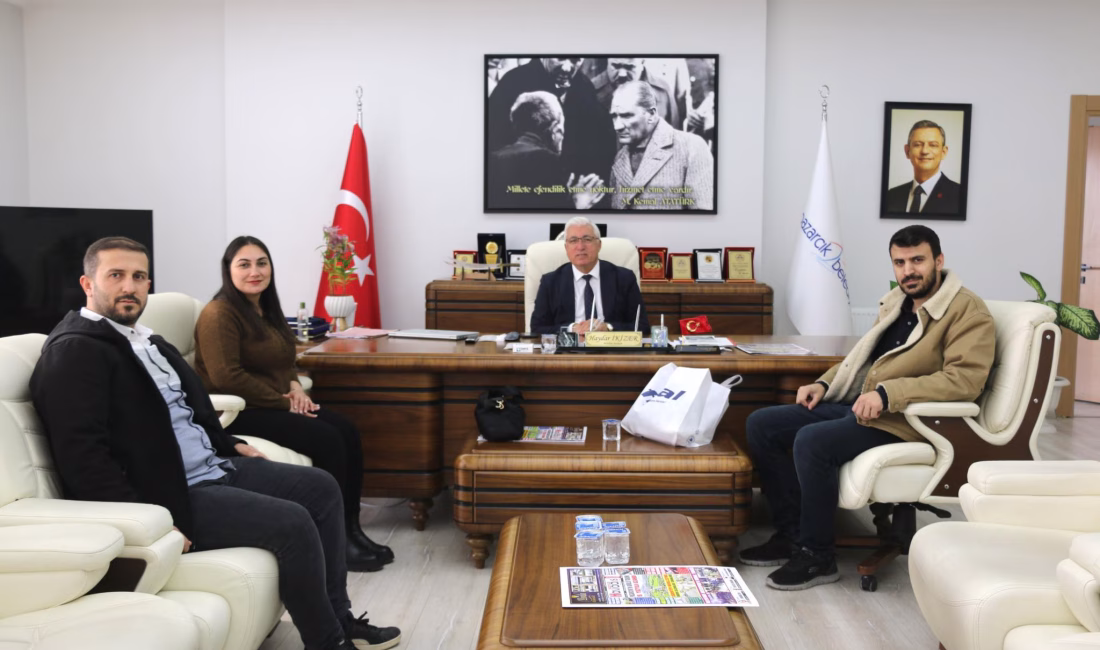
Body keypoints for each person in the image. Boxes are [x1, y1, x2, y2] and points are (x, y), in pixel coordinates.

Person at [30, 237, 401, 650]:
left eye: (139, 277)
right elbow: (82, 458)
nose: (129, 287)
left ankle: (340, 618)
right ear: (87, 283)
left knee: (321, 487)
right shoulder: (75, 353)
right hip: (171, 494)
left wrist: (229, 442)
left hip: (211, 467)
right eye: (115, 276)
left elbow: (190, 408)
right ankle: (328, 642)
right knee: (293, 522)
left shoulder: (145, 340)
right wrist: (150, 518)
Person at [739, 225, 995, 591]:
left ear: (939, 260)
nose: (909, 270)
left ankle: (818, 556)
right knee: (763, 423)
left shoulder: (967, 311)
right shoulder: (896, 303)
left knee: (813, 440)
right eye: (900, 262)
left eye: (918, 260)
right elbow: (864, 360)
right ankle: (792, 535)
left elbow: (964, 381)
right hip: (867, 408)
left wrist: (889, 394)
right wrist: (824, 384)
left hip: (910, 420)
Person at [193, 235, 393, 572]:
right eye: (244, 264)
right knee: (327, 439)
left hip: (272, 403)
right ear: (229, 270)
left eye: (261, 263)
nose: (254, 271)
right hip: (237, 414)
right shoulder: (219, 313)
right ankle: (336, 542)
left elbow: (285, 359)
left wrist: (296, 387)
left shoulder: (264, 309)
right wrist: (283, 403)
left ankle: (351, 530)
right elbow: (227, 377)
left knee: (346, 430)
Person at [575, 81, 713, 211]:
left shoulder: (691, 147)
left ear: (651, 114)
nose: (617, 126)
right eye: (614, 116)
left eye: (626, 116)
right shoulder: (619, 158)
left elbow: (703, 217)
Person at [487, 58, 617, 183]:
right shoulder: (513, 82)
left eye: (575, 60)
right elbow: (493, 140)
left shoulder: (584, 86)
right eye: (560, 58)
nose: (567, 67)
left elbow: (600, 143)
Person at [529, 216, 649, 335]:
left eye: (587, 239)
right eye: (573, 240)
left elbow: (642, 325)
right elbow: (537, 328)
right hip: (568, 350)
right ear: (566, 248)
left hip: (610, 348)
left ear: (599, 245)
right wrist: (572, 328)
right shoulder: (550, 282)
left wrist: (608, 327)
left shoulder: (624, 278)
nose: (580, 247)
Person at [486, 91, 571, 210]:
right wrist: (577, 204)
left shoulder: (492, 159)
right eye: (561, 130)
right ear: (554, 129)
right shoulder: (549, 160)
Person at [885, 120, 962, 214]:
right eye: (917, 145)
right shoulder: (891, 195)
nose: (925, 151)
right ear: (907, 151)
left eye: (933, 145)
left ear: (944, 152)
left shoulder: (960, 195)